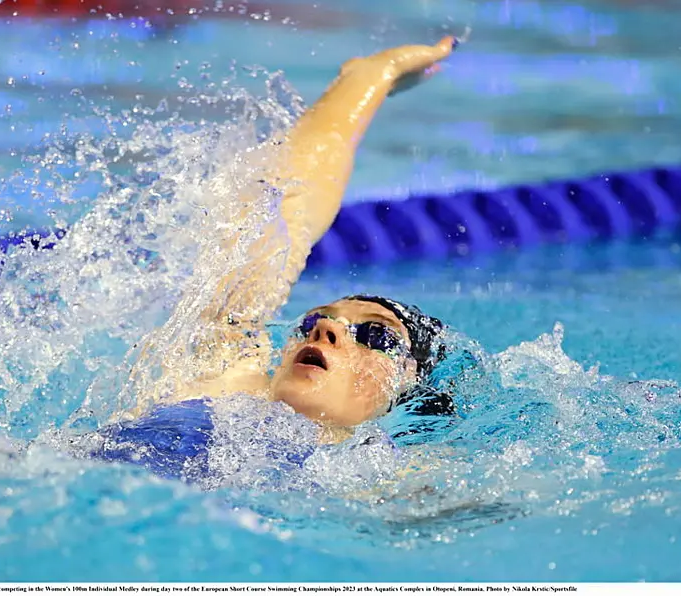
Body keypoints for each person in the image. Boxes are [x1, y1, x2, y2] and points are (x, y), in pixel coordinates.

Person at [121, 36, 462, 448]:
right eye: (310, 322)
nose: (326, 329)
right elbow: (276, 213)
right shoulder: (225, 383)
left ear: (405, 388)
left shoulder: (392, 482)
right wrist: (372, 77)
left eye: (376, 337)